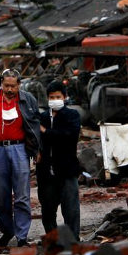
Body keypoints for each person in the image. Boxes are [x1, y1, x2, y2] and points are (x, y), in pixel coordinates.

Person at [0, 68, 41, 247]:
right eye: (6, 86)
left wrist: (37, 149)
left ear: (19, 85)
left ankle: (22, 237)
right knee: (0, 195)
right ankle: (7, 230)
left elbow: (35, 124)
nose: (10, 89)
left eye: (13, 86)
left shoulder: (28, 100)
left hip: (20, 148)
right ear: (1, 84)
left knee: (22, 195)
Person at [38, 80, 82, 239]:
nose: (55, 99)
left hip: (67, 170)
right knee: (47, 211)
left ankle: (73, 241)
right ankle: (54, 240)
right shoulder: (42, 117)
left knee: (71, 210)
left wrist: (46, 132)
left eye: (58, 96)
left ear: (65, 97)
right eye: (51, 97)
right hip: (46, 172)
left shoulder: (72, 115)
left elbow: (68, 136)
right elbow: (36, 139)